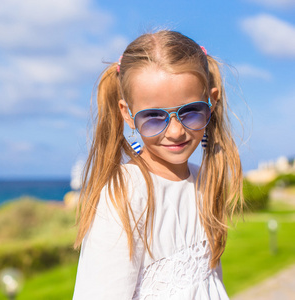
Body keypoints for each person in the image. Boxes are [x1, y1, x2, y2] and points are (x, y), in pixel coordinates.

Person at [72, 30, 243, 300]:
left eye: (191, 111)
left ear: (212, 102)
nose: (176, 132)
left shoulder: (204, 182)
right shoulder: (126, 194)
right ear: (127, 114)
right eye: (153, 117)